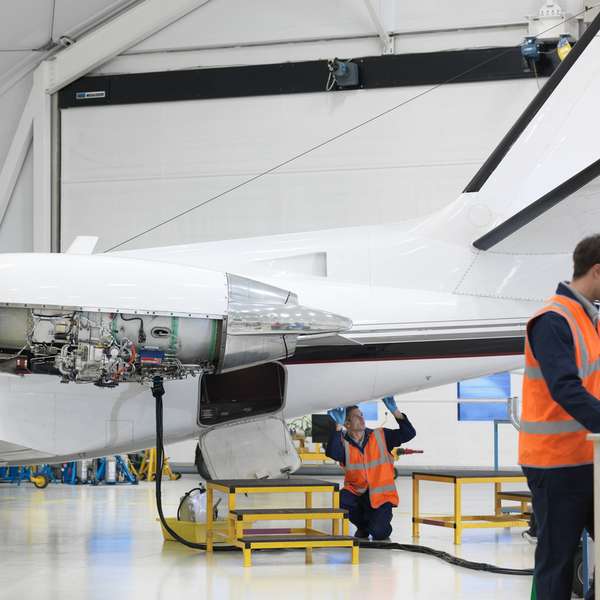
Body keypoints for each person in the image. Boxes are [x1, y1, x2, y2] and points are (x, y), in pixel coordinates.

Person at [519, 234, 600, 600]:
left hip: (588, 457)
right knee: (557, 559)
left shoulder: (589, 318)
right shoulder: (553, 320)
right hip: (555, 464)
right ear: (597, 271)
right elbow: (566, 388)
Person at [325, 397, 416, 540]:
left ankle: (372, 525)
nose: (362, 419)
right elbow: (332, 452)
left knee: (379, 533)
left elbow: (409, 434)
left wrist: (396, 412)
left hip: (381, 497)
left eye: (362, 415)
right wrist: (337, 426)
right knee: (341, 498)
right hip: (358, 493)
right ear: (347, 423)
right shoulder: (344, 443)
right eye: (356, 416)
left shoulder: (380, 435)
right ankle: (362, 526)